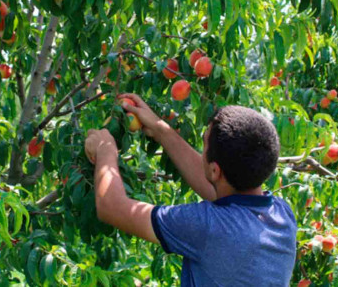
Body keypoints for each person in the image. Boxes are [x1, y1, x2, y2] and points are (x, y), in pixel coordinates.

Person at [84, 93, 297, 286]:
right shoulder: (282, 215)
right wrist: (160, 130)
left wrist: (106, 151)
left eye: (204, 144)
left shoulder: (207, 228)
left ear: (215, 170)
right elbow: (219, 188)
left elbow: (112, 207)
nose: (201, 150)